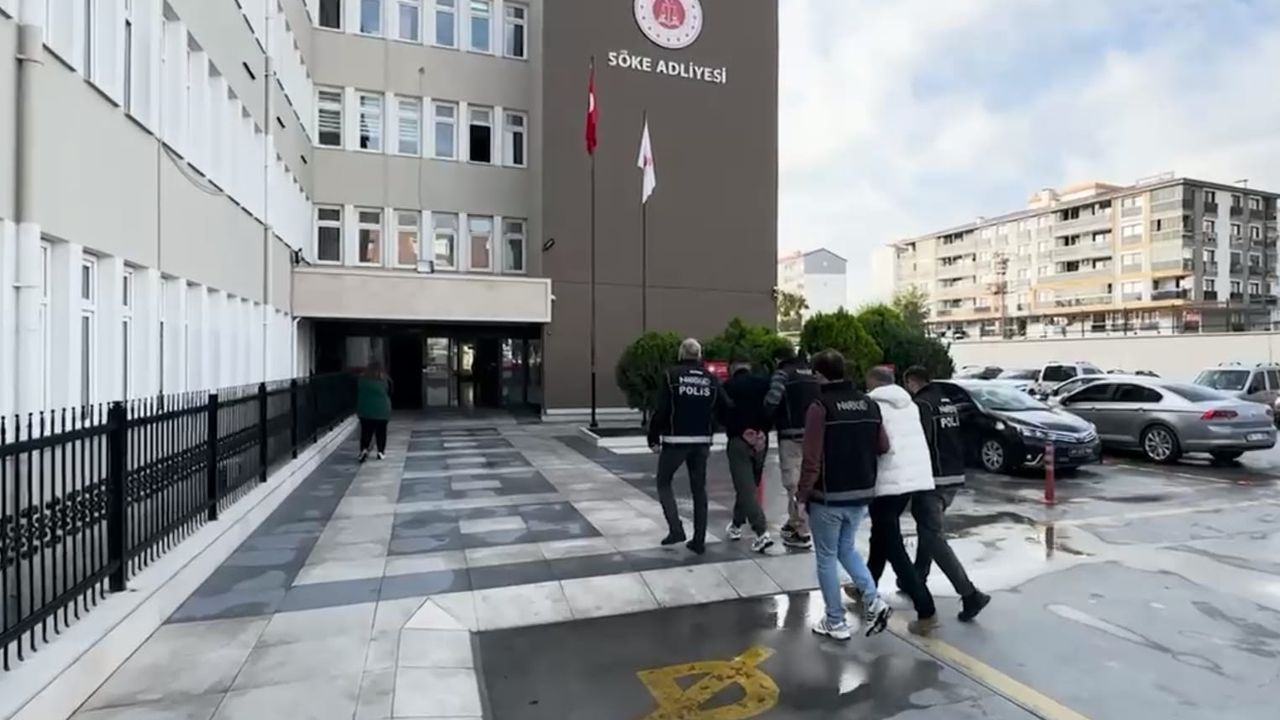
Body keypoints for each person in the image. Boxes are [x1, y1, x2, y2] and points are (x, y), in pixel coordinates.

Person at [796, 350, 893, 640]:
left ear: (820, 375)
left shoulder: (820, 407)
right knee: (846, 549)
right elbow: (883, 446)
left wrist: (802, 496)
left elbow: (811, 458)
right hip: (861, 492)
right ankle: (873, 600)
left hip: (828, 494)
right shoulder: (868, 403)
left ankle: (835, 620)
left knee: (826, 558)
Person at [904, 366, 992, 621]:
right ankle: (917, 577)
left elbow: (920, 442)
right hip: (953, 474)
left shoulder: (922, 405)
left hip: (933, 478)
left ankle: (970, 594)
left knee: (933, 536)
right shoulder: (946, 401)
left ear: (911, 382)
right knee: (927, 530)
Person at [863, 365, 940, 636]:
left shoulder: (872, 405)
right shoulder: (909, 405)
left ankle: (925, 607)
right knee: (881, 536)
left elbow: (874, 444)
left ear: (873, 383)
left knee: (893, 546)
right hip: (911, 480)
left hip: (886, 480)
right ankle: (865, 586)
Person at [647, 338, 731, 555]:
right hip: (702, 441)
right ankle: (699, 540)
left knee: (664, 481)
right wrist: (714, 426)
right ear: (699, 355)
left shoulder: (671, 376)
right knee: (699, 489)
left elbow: (662, 409)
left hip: (676, 441)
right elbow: (726, 406)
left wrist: (653, 437)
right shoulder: (711, 379)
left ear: (681, 353)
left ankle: (676, 529)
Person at [764, 346, 820, 549]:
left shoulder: (782, 374)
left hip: (790, 434)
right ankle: (799, 522)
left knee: (793, 483)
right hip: (815, 433)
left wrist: (764, 422)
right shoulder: (813, 374)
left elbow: (772, 400)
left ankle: (800, 530)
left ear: (778, 359)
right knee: (812, 480)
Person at [722, 356, 775, 554]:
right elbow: (772, 407)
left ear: (732, 368)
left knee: (745, 488)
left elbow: (722, 414)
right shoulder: (764, 384)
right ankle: (736, 524)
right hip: (761, 440)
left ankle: (761, 532)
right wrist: (762, 431)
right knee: (749, 485)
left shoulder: (728, 386)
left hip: (739, 441)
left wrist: (742, 431)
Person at [356, 362, 393, 462]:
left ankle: (364, 449)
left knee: (366, 431)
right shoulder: (386, 380)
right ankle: (380, 451)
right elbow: (390, 392)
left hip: (365, 410)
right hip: (382, 410)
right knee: (381, 432)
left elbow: (356, 391)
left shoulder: (361, 380)